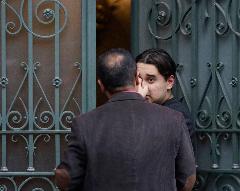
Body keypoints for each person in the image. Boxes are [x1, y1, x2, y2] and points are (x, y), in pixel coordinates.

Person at [55, 48, 196, 191]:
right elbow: (187, 179)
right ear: (134, 78)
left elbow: (67, 177)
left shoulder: (176, 116)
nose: (144, 87)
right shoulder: (172, 119)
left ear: (101, 85)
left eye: (151, 79)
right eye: (140, 79)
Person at [136, 48, 194, 137]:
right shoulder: (149, 109)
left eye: (150, 80)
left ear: (169, 82)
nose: (142, 87)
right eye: (138, 79)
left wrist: (137, 104)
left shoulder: (177, 117)